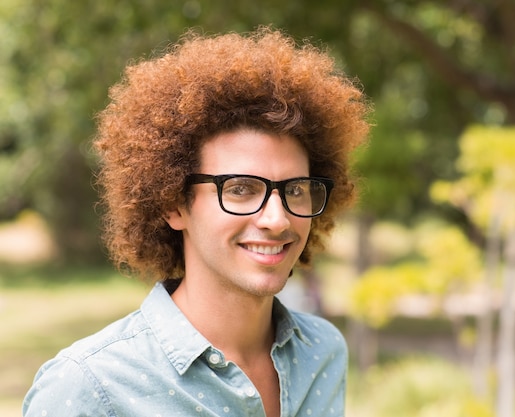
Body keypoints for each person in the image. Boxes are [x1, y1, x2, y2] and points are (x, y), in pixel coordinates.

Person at [22, 27, 370, 417]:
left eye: (295, 190)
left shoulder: (322, 352)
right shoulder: (90, 387)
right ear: (174, 205)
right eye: (240, 189)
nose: (277, 218)